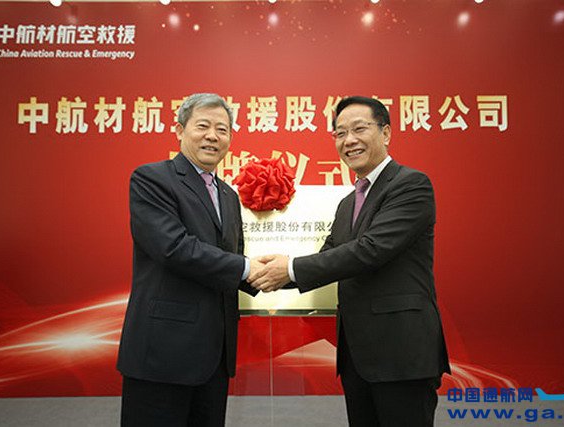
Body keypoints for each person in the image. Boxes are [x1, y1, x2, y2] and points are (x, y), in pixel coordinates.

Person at [250, 96, 451, 427]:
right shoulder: (348, 202)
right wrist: (257, 272)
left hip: (402, 353)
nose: (349, 140)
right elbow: (327, 257)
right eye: (340, 133)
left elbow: (371, 250)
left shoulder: (410, 185)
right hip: (358, 356)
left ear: (386, 133)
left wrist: (289, 268)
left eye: (359, 129)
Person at [117, 93, 263, 426]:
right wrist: (246, 268)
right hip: (162, 353)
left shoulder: (228, 195)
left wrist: (276, 274)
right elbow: (174, 247)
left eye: (222, 129)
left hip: (214, 356)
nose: (213, 136)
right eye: (203, 126)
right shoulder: (152, 179)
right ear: (180, 130)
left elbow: (230, 260)